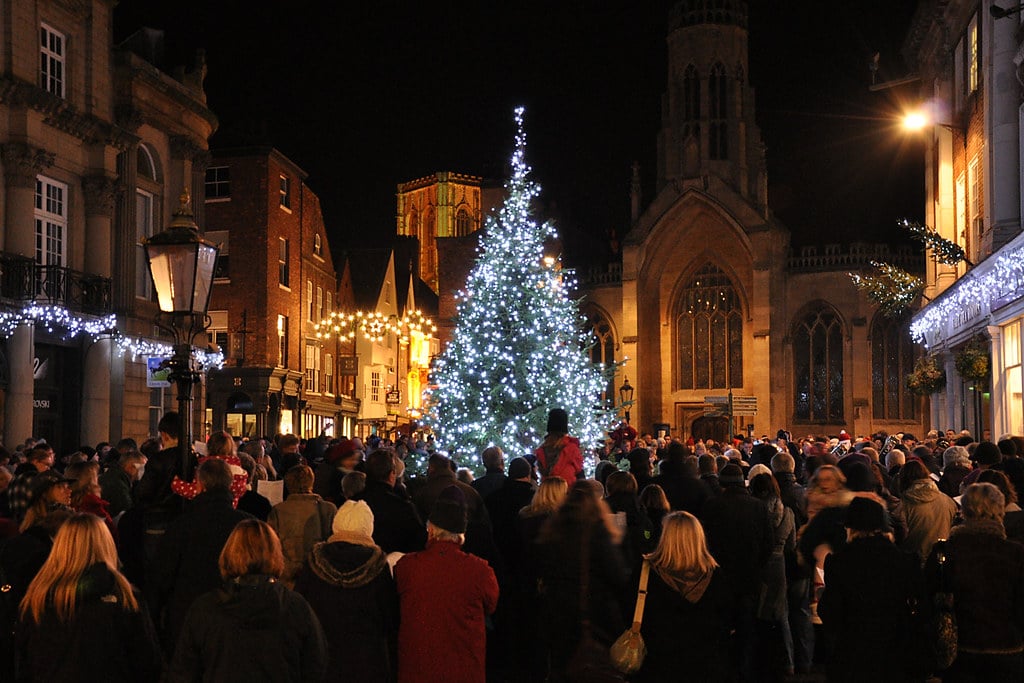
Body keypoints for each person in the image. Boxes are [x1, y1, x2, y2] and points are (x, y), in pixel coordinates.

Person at [166, 519, 328, 682]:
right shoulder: (296, 607)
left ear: (229, 553)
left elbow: (183, 672)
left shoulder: (205, 608)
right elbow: (316, 667)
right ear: (275, 554)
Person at [16, 513, 162, 683]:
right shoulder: (125, 600)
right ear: (106, 546)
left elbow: (23, 667)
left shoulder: (36, 603)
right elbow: (148, 665)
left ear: (61, 548)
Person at [148, 458, 253, 657]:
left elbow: (161, 576)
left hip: (189, 617)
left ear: (200, 484)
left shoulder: (182, 525)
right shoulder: (246, 524)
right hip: (238, 619)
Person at [395, 486, 499, 683]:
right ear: (461, 534)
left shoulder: (407, 566)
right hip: (463, 666)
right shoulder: (480, 571)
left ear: (431, 530)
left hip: (418, 667)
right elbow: (490, 605)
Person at [818, 496, 925, 682]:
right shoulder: (907, 561)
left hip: (854, 653)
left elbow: (831, 612)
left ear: (851, 527)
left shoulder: (838, 562)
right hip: (896, 651)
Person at [925, 483, 1024, 681]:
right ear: (1000, 511)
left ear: (965, 511)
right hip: (1007, 648)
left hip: (960, 651)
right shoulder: (1015, 553)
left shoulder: (945, 552)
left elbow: (928, 598)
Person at [294, 499, 399, 682]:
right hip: (366, 662)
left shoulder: (314, 563)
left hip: (321, 660)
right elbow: (389, 617)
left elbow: (299, 611)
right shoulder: (376, 566)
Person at [535, 480, 627, 681]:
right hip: (591, 614)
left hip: (557, 614)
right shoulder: (596, 532)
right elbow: (617, 575)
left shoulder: (552, 531)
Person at [637, 511, 736, 682]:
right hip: (705, 664)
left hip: (658, 663)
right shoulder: (715, 576)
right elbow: (727, 619)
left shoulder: (646, 573)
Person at [267, 464, 337, 587]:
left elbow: (272, 546)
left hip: (288, 578)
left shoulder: (278, 510)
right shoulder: (328, 509)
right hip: (320, 577)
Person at [534, 408, 583, 481]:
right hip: (567, 489)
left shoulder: (541, 451)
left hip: (547, 490)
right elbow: (579, 469)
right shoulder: (571, 449)